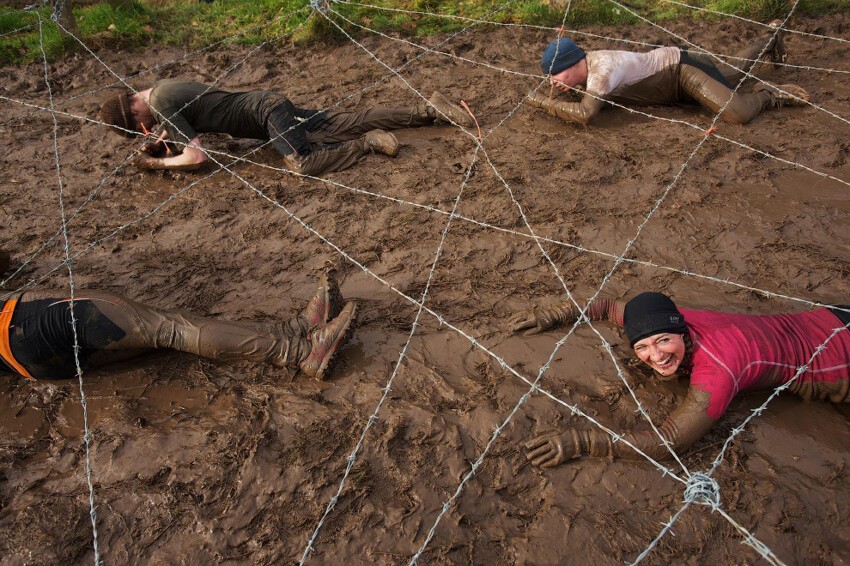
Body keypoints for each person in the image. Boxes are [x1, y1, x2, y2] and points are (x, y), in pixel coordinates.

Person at [510, 292, 850, 467]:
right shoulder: (664, 315)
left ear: (682, 331)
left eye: (663, 341)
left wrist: (582, 442)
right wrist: (556, 315)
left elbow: (670, 441)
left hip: (841, 367)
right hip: (831, 316)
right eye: (641, 347)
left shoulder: (718, 370)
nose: (656, 356)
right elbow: (607, 305)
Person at [0, 261, 356, 381]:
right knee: (170, 327)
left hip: (31, 365)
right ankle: (299, 352)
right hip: (30, 322)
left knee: (156, 338)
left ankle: (294, 330)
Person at [99, 79, 473, 175]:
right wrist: (167, 140)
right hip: (268, 105)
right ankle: (426, 111)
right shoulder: (163, 92)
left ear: (135, 114)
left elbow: (196, 156)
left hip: (267, 115)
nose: (148, 132)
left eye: (141, 129)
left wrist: (157, 164)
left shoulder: (161, 104)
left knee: (301, 164)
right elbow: (195, 118)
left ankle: (368, 145)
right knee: (344, 121)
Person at [527, 22, 809, 126]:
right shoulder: (586, 67)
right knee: (731, 75)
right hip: (674, 80)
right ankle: (769, 39)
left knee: (737, 112)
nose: (551, 82)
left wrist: (541, 102)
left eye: (555, 75)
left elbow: (586, 114)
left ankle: (768, 94)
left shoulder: (602, 71)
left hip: (682, 71)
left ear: (574, 64)